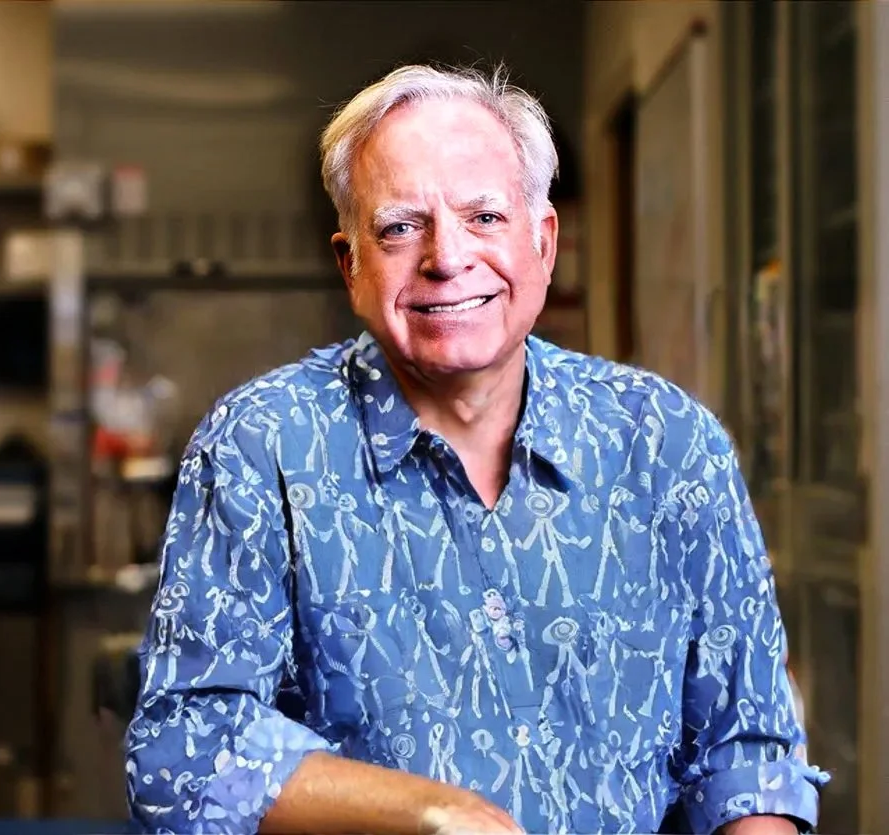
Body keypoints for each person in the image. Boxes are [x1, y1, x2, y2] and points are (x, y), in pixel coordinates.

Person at [124, 63, 827, 835]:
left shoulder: (668, 442)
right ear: (349, 264)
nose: (447, 257)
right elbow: (182, 754)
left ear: (543, 242)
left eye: (485, 216)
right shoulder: (260, 447)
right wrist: (432, 810)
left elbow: (748, 753)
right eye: (399, 226)